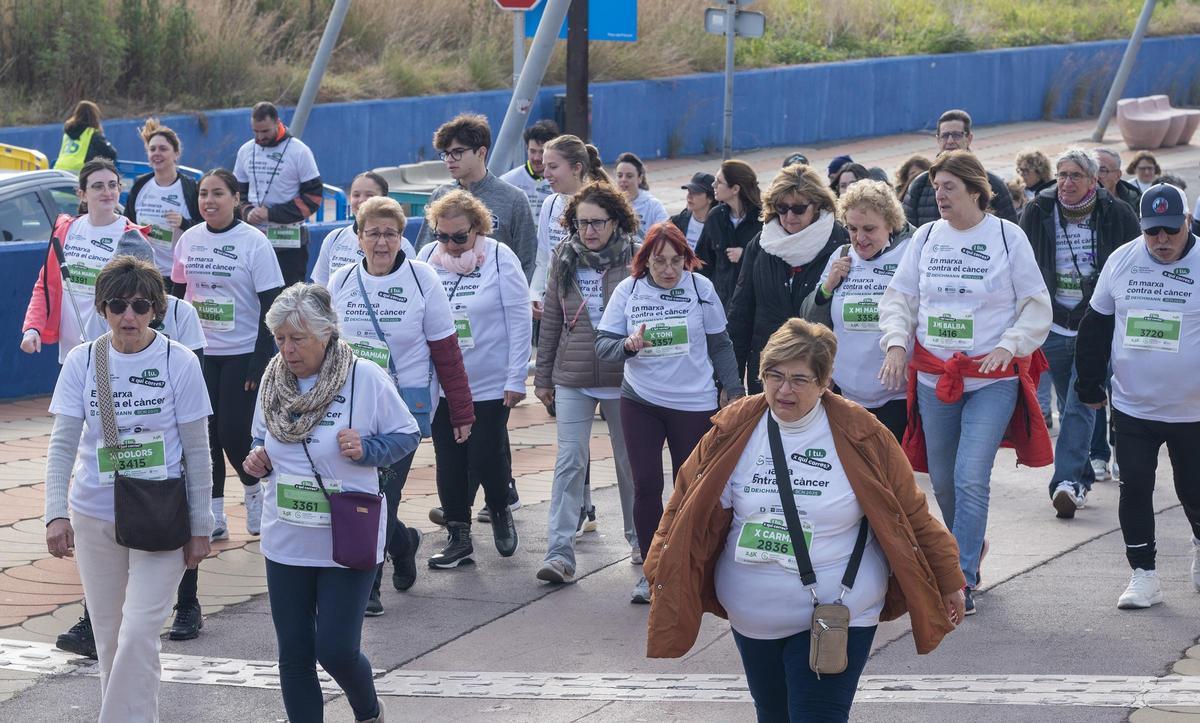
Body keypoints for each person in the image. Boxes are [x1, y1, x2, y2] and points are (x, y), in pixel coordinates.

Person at [644, 319, 965, 723]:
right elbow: (684, 507)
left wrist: (949, 576)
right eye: (774, 376)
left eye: (799, 379)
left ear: (825, 381)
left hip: (839, 608)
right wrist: (659, 567)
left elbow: (911, 511)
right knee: (773, 715)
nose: (783, 390)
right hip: (752, 616)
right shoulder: (734, 428)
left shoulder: (862, 433)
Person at [879, 150, 1052, 615]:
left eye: (949, 187)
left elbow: (1036, 302)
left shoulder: (1005, 236)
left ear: (975, 190)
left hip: (991, 379)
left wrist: (1011, 344)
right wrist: (897, 342)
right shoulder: (927, 237)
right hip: (937, 377)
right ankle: (966, 548)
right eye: (935, 187)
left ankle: (963, 577)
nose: (939, 195)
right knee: (943, 479)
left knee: (971, 476)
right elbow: (901, 296)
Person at [44, 255, 213, 722]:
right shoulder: (82, 361)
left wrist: (202, 524)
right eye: (117, 305)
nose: (129, 316)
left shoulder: (179, 362)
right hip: (94, 512)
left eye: (140, 305)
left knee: (139, 632)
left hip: (161, 514)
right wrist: (55, 512)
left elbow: (199, 452)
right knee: (110, 638)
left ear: (157, 309)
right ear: (102, 309)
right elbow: (62, 445)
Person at [244, 283, 418, 723]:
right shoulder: (272, 379)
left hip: (348, 535)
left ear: (326, 334)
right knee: (295, 654)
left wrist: (368, 448)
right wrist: (258, 460)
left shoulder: (364, 377)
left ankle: (369, 712)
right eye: (280, 338)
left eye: (298, 338)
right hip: (287, 538)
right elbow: (261, 440)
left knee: (336, 649)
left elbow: (407, 434)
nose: (288, 349)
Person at [327, 195, 473, 614]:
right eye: (373, 233)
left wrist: (461, 411)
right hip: (350, 403)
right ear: (358, 238)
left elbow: (446, 350)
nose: (381, 241)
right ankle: (402, 541)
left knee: (383, 490)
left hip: (404, 410)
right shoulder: (340, 281)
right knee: (359, 488)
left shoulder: (422, 278)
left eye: (390, 233)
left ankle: (368, 584)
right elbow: (326, 345)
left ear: (402, 237)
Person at [596, 222, 744, 604]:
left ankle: (693, 565)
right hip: (641, 400)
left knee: (692, 489)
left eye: (676, 260)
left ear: (686, 259)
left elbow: (721, 345)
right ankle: (651, 569)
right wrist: (628, 347)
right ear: (644, 261)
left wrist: (735, 391)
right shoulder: (628, 290)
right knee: (646, 484)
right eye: (659, 261)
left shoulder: (700, 288)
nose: (668, 269)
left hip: (693, 402)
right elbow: (603, 346)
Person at [1075, 183, 1200, 609]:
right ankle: (1143, 574)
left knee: (1193, 488)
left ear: (1186, 222)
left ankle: (1199, 542)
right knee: (1135, 488)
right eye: (1152, 232)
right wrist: (1088, 385)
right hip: (1134, 406)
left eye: (1170, 231)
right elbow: (1095, 327)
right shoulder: (1123, 261)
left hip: (1193, 410)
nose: (1161, 241)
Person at [1020, 148, 1140, 519]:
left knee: (1078, 402)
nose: (1066, 183)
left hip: (1096, 324)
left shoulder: (1116, 213)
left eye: (1075, 176)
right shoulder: (1038, 211)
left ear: (1093, 180)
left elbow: (1134, 264)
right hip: (1053, 322)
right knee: (1069, 400)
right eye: (1061, 175)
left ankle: (1066, 483)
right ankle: (1084, 474)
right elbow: (1022, 265)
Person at [417, 190, 531, 568]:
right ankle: (458, 536)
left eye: (459, 237)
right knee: (448, 457)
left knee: (485, 453)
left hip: (489, 379)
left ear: (478, 229)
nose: (449, 245)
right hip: (441, 383)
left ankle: (499, 506)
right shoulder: (425, 261)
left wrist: (517, 377)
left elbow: (518, 318)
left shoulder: (500, 257)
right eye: (442, 236)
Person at [534, 182, 641, 584]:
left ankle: (639, 539)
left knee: (628, 463)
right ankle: (559, 553)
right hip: (573, 376)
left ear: (616, 221)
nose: (589, 231)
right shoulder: (564, 256)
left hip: (623, 378)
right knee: (569, 462)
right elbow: (551, 321)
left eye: (597, 222)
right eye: (581, 223)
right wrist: (543, 376)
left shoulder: (635, 257)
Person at [172, 169, 284, 540]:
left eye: (218, 193)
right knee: (204, 434)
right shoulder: (188, 239)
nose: (208, 201)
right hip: (198, 352)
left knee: (234, 433)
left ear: (236, 198)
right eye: (203, 194)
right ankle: (214, 513)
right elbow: (176, 296)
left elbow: (273, 305)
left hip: (241, 354)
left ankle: (255, 491)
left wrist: (260, 358)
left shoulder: (253, 242)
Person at [800, 179, 914, 441]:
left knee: (885, 475)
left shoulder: (910, 252)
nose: (860, 238)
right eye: (852, 228)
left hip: (895, 394)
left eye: (869, 229)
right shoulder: (841, 254)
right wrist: (827, 288)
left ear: (890, 223)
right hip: (847, 393)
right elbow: (809, 317)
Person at [728, 164, 847, 394]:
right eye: (781, 208)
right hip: (768, 370)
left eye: (799, 209)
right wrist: (731, 381)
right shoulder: (761, 244)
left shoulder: (840, 242)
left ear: (818, 206)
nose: (789, 216)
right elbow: (741, 313)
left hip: (819, 373)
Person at [21, 159, 147, 364]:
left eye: (112, 185)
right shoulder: (66, 229)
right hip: (71, 353)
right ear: (82, 194)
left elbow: (143, 301)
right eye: (98, 186)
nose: (107, 191)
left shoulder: (133, 237)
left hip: (113, 352)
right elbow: (46, 286)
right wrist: (33, 328)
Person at [415, 114, 538, 281]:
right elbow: (424, 253)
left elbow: (528, 260)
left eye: (457, 152)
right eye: (446, 154)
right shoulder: (440, 195)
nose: (450, 160)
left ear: (481, 152)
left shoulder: (514, 198)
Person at [233, 101, 323, 286]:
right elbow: (236, 193)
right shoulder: (245, 150)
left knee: (289, 300)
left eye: (265, 131)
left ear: (277, 122)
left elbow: (313, 198)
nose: (260, 136)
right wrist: (247, 211)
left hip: (289, 244)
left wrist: (271, 213)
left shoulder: (299, 151)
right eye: (255, 131)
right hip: (254, 238)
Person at [530, 134, 611, 310]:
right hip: (555, 303)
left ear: (576, 168)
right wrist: (535, 293)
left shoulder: (603, 205)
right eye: (545, 167)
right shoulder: (550, 204)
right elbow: (543, 259)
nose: (545, 174)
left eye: (553, 167)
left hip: (591, 306)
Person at [902, 109, 1018, 226]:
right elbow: (907, 235)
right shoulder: (920, 185)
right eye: (945, 135)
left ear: (969, 138)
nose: (950, 141)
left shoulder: (993, 184)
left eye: (957, 135)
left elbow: (1010, 233)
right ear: (938, 139)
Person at [125, 119, 202, 289]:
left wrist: (184, 223)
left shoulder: (190, 188)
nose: (156, 153)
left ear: (176, 154)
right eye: (152, 149)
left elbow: (207, 229)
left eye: (163, 149)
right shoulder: (140, 186)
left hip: (180, 277)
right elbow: (127, 225)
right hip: (146, 274)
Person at [311, 171, 415, 287]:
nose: (361, 200)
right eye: (356, 195)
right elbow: (320, 288)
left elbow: (409, 288)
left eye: (369, 195)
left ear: (384, 199)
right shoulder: (334, 238)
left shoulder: (403, 246)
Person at [695, 160, 763, 307]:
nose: (713, 185)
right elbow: (701, 261)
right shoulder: (715, 216)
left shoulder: (763, 219)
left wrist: (746, 255)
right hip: (720, 303)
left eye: (719, 182)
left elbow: (773, 263)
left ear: (735, 189)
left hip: (753, 303)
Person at [500, 119, 560, 221]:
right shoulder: (508, 181)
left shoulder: (561, 182)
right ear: (526, 148)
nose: (536, 158)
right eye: (532, 151)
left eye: (542, 152)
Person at [52, 100, 117, 172]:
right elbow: (111, 154)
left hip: (59, 169)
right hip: (79, 172)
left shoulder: (67, 132)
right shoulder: (91, 134)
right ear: (94, 116)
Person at [614, 152, 669, 233]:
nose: (623, 180)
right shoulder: (609, 204)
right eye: (620, 175)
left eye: (629, 176)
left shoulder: (653, 206)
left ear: (640, 178)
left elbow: (667, 232)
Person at [670, 172, 716, 250]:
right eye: (689, 191)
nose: (689, 196)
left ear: (710, 198)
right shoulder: (675, 222)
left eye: (696, 192)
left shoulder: (717, 227)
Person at [1094, 147, 1142, 213]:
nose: (1095, 176)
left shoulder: (1135, 200)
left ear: (1118, 175)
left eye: (1102, 170)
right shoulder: (1079, 201)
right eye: (1092, 170)